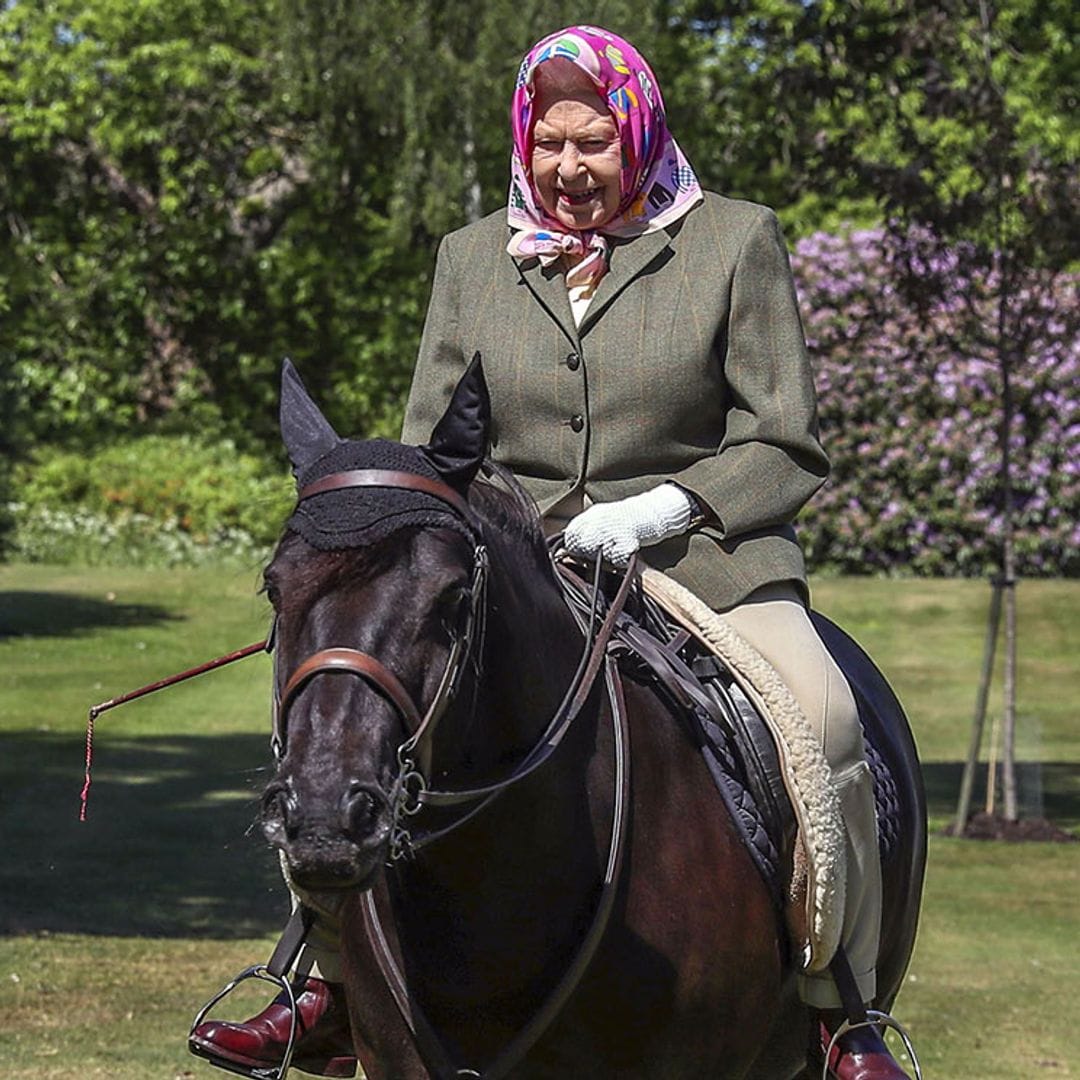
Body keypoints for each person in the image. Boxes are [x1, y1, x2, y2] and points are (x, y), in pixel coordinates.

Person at [191, 26, 911, 1080]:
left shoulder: (733, 241)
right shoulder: (471, 257)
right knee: (360, 704)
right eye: (550, 144)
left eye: (597, 143)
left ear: (641, 134)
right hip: (514, 564)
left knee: (829, 714)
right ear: (525, 141)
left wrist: (665, 507)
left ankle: (836, 1011)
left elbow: (786, 439)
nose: (570, 170)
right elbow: (437, 444)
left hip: (703, 559)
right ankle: (327, 980)